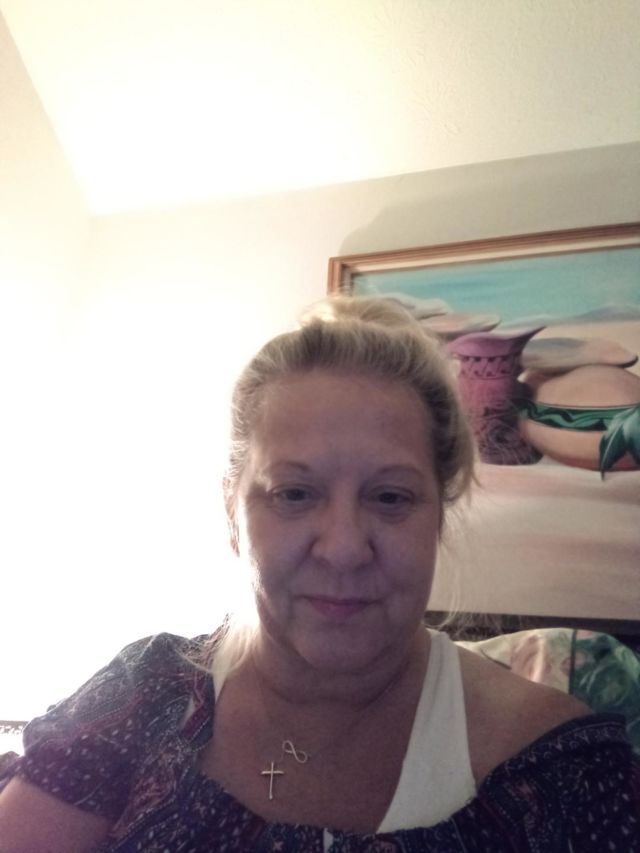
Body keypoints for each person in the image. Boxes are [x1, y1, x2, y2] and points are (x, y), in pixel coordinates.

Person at [0, 295, 638, 852]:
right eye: (294, 493)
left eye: (390, 497)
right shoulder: (141, 695)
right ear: (232, 513)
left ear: (437, 516)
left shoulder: (561, 772)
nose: (343, 550)